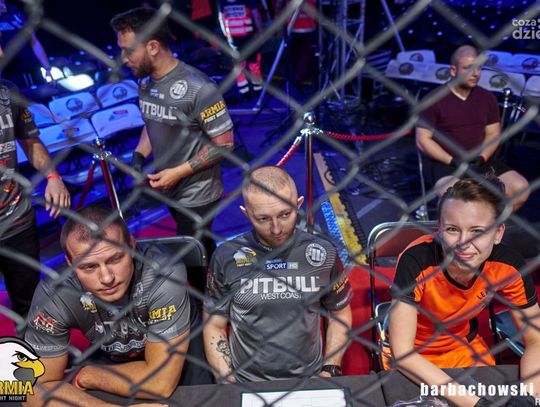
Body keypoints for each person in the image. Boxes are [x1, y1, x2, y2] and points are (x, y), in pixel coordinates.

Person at [24, 205, 212, 405]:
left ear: (131, 246)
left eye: (115, 259)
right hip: (110, 356)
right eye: (89, 267)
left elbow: (160, 382)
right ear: (70, 264)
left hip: (180, 353)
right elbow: (33, 388)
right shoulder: (54, 293)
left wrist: (89, 375)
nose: (107, 278)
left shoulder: (162, 273)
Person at [110, 7, 234, 294]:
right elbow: (152, 122)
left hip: (198, 191)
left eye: (128, 51)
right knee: (200, 249)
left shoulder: (198, 87)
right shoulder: (145, 82)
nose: (123, 58)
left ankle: (210, 304)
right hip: (171, 187)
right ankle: (215, 292)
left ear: (153, 47)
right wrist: (139, 156)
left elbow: (225, 143)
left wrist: (177, 173)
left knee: (193, 257)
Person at [388, 177, 540, 406]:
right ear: (439, 230)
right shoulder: (417, 260)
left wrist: (530, 397)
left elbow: (536, 340)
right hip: (414, 355)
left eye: (477, 231)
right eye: (452, 229)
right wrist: (478, 404)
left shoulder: (509, 266)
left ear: (498, 233)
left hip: (463, 346)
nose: (463, 242)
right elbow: (403, 353)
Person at [203, 166, 352, 382]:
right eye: (263, 219)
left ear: (298, 205)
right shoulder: (226, 257)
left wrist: (330, 368)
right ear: (246, 213)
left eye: (285, 214)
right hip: (246, 381)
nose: (276, 229)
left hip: (310, 378)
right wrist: (227, 380)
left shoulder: (323, 252)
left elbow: (341, 314)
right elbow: (214, 324)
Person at [0, 42, 69, 324]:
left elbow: (30, 141)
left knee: (29, 305)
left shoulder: (9, 92)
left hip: (16, 219)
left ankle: (31, 349)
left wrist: (53, 177)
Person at [416, 45, 529, 212]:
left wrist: (483, 157)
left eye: (478, 68)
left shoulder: (487, 98)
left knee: (520, 188)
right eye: (468, 68)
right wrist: (452, 160)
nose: (475, 73)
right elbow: (422, 140)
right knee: (462, 200)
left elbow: (493, 133)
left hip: (479, 161)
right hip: (446, 164)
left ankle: (490, 223)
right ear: (453, 70)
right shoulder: (433, 99)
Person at [0, 0, 53, 86]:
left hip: (32, 68)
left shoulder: (16, 12)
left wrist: (47, 68)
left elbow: (34, 42)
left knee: (43, 91)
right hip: (11, 73)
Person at [217, 0, 263, 95]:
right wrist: (261, 32)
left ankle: (244, 91)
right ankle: (257, 89)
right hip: (248, 36)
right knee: (253, 62)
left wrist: (226, 34)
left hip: (233, 37)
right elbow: (256, 15)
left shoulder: (222, 1)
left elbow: (221, 18)